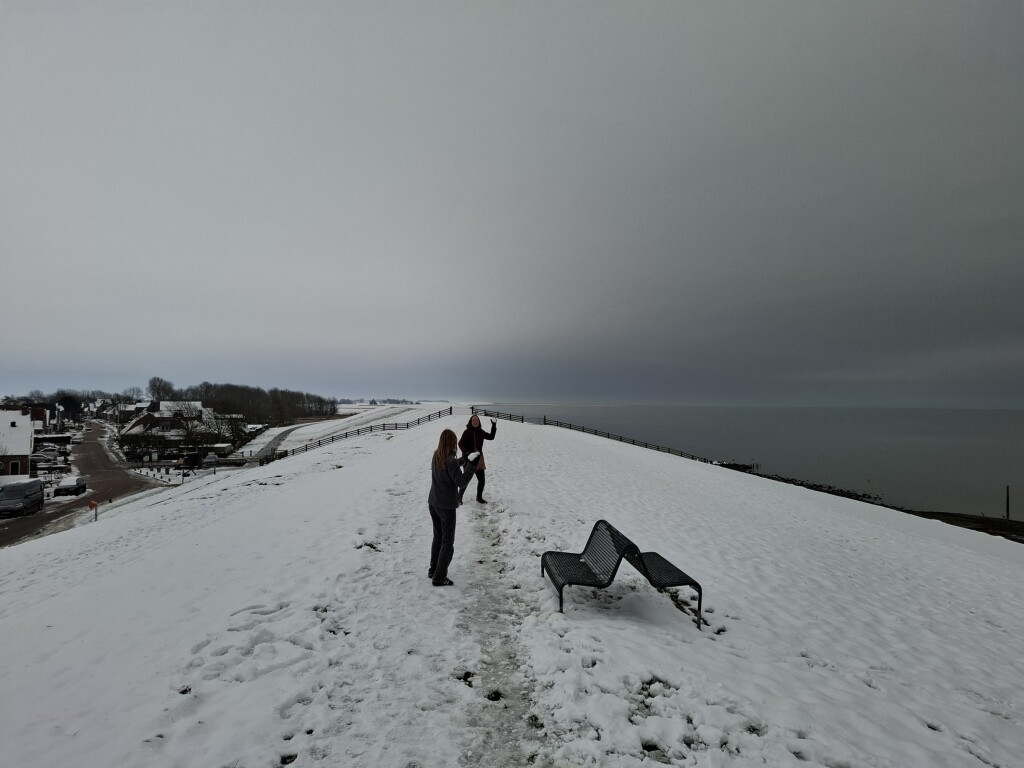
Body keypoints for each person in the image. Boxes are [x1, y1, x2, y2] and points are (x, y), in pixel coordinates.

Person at [427, 429, 480, 587]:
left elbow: (451, 467)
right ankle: (439, 577)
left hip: (433, 503)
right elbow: (461, 482)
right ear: (451, 442)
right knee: (447, 542)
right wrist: (472, 466)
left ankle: (433, 569)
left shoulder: (437, 455)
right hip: (446, 507)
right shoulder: (449, 460)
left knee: (438, 538)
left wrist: (464, 459)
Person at [458, 414, 497, 503]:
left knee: (481, 480)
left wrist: (494, 426)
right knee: (466, 480)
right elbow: (460, 443)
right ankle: (459, 497)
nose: (475, 421)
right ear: (470, 422)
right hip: (468, 459)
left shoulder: (481, 432)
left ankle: (479, 497)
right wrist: (466, 453)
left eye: (476, 420)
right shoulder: (467, 432)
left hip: (479, 459)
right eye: (473, 420)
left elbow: (491, 437)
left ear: (479, 422)